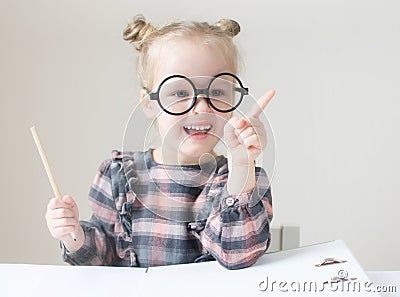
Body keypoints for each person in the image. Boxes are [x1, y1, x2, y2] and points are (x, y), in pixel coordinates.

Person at [45, 15, 275, 270]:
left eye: (217, 92)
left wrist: (241, 165)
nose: (201, 107)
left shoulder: (237, 179)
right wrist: (73, 235)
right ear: (149, 104)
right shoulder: (119, 175)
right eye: (179, 92)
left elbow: (239, 255)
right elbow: (103, 256)